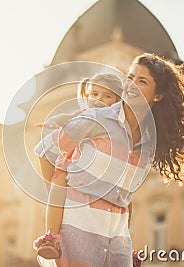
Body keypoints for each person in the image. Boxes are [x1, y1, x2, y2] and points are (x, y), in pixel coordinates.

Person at [34, 53, 184, 267]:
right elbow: (45, 150)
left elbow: (126, 196)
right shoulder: (97, 119)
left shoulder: (149, 142)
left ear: (158, 95)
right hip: (77, 231)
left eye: (142, 81)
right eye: (130, 77)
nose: (131, 85)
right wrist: (59, 193)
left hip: (118, 241)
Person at [33, 72, 127, 261]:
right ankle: (50, 238)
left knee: (124, 201)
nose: (99, 99)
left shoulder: (117, 120)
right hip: (74, 160)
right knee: (58, 185)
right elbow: (66, 117)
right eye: (94, 94)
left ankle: (123, 247)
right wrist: (52, 122)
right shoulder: (86, 114)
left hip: (102, 168)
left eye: (106, 96)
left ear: (117, 101)